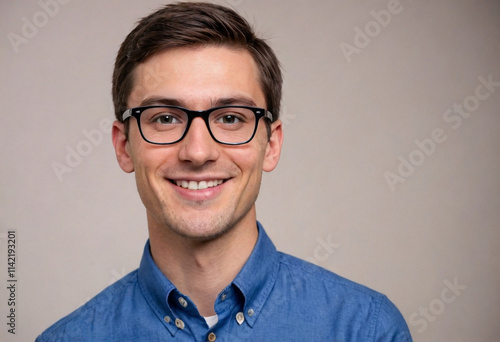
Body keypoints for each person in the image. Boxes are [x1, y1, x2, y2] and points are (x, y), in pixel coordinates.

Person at [36, 2, 413, 341]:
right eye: (165, 118)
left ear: (272, 144)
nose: (198, 152)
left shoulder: (365, 329)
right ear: (124, 146)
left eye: (231, 118)